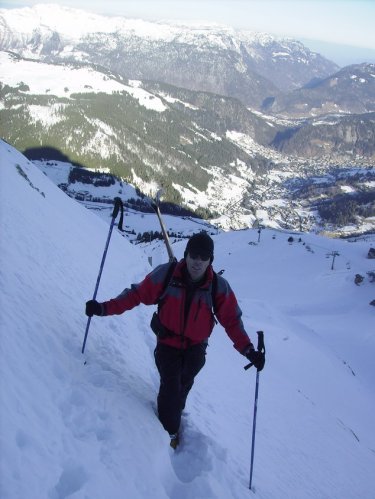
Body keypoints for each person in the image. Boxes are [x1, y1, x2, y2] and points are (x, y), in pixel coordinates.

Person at [85, 232, 265, 449]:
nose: (197, 261)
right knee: (170, 391)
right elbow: (136, 295)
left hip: (196, 351)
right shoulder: (167, 275)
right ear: (186, 254)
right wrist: (103, 308)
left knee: (182, 389)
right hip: (167, 346)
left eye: (204, 257)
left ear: (210, 261)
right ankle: (168, 435)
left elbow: (232, 322)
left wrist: (248, 350)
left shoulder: (218, 287)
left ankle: (173, 415)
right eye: (193, 255)